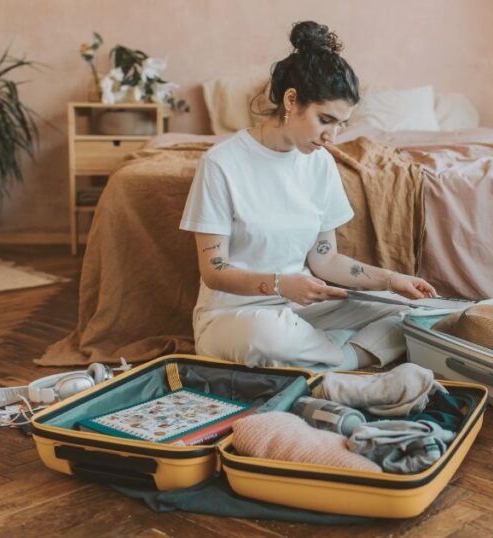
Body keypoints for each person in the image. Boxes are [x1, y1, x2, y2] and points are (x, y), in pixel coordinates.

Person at [180, 21, 436, 371]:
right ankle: (349, 358)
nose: (332, 135)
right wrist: (280, 285)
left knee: (407, 313)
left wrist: (392, 280)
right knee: (269, 336)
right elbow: (213, 270)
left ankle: (320, 358)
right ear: (291, 100)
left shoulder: (321, 165)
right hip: (235, 314)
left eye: (341, 124)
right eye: (325, 119)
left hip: (301, 310)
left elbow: (325, 260)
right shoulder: (221, 163)